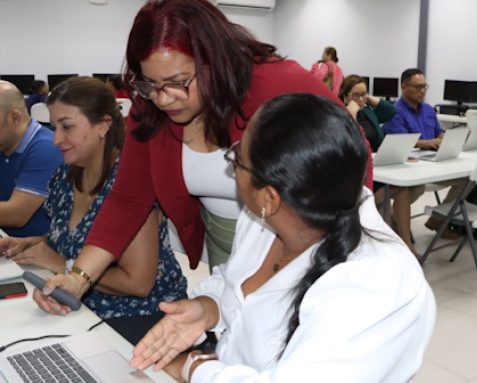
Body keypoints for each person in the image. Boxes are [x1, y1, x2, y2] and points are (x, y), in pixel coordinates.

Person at [31, 0, 375, 315]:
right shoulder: (152, 102)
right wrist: (78, 278)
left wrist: (341, 245)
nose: (163, 99)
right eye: (149, 84)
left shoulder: (276, 85)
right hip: (228, 246)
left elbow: (350, 154)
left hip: (303, 241)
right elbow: (128, 198)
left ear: (215, 60)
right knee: (232, 328)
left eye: (178, 82)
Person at [129, 94, 436, 382]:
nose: (232, 162)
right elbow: (234, 281)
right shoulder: (263, 218)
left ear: (270, 197)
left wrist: (194, 367)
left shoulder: (377, 287)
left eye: (237, 157)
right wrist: (207, 309)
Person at [1, 77, 187, 344]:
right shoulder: (66, 176)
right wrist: (26, 244)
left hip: (142, 317)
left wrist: (56, 262)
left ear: (103, 125)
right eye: (53, 128)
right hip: (86, 308)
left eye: (67, 127)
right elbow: (65, 238)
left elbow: (138, 283)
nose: (56, 140)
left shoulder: (131, 185)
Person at [339, 75, 418, 256]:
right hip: (357, 176)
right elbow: (345, 136)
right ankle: (386, 246)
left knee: (402, 189)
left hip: (379, 168)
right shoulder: (341, 114)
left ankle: (406, 245)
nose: (360, 100)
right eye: (355, 95)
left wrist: (369, 99)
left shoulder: (367, 112)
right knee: (390, 193)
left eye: (363, 95)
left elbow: (390, 111)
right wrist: (350, 112)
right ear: (344, 96)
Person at [383, 68, 467, 239]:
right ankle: (395, 219)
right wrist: (428, 143)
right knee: (417, 187)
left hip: (433, 162)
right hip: (411, 165)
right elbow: (400, 141)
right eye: (417, 87)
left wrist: (444, 139)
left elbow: (439, 132)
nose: (422, 91)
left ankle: (438, 220)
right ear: (404, 86)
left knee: (466, 180)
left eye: (424, 87)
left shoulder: (428, 110)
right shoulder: (394, 112)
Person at [0, 80, 63, 237]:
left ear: (14, 118)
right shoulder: (5, 141)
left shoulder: (46, 148)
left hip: (31, 255)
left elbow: (16, 214)